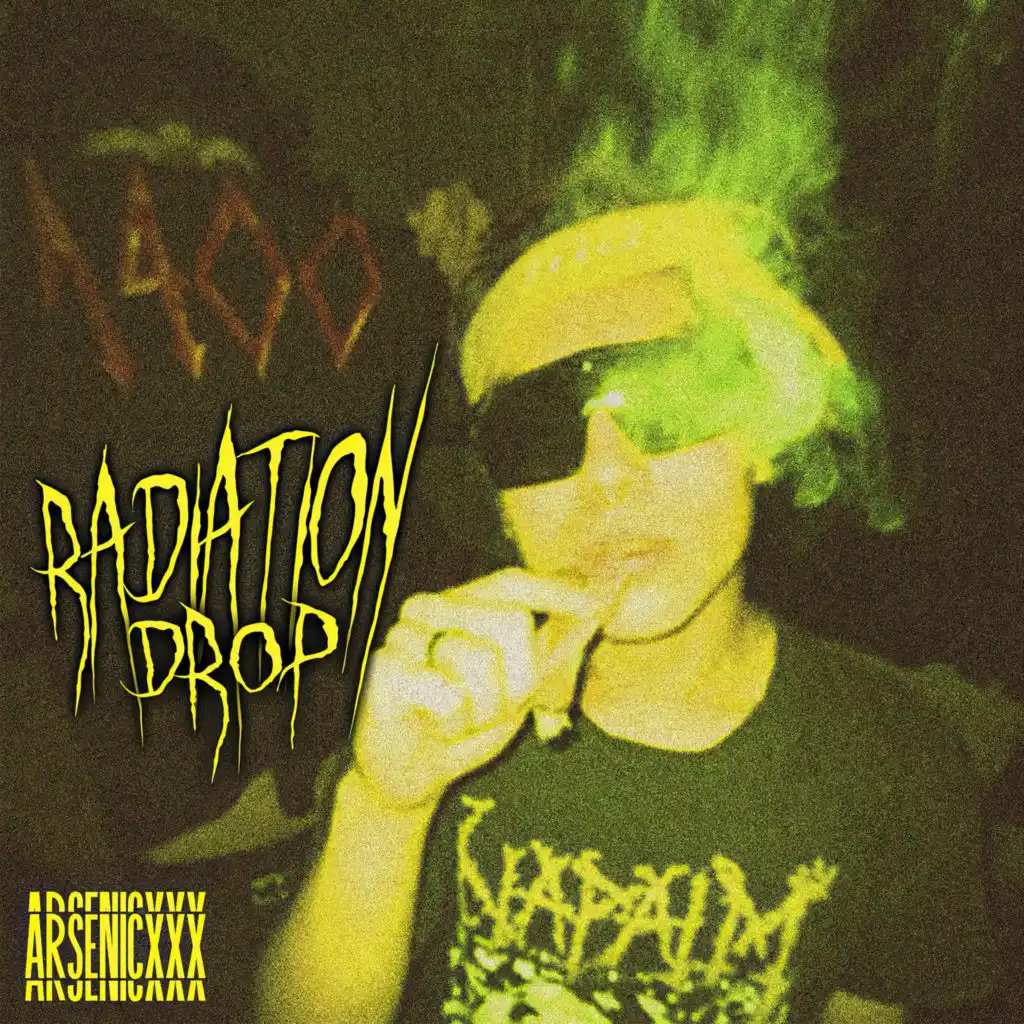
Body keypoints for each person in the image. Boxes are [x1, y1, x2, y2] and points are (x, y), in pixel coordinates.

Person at [256, 192, 1001, 1023]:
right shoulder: (437, 714)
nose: (607, 475)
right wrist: (384, 807)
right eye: (537, 428)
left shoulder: (897, 769)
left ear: (760, 436)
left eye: (667, 400)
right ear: (501, 498)